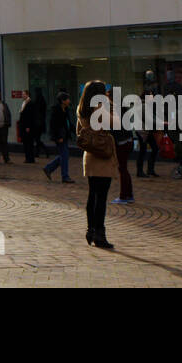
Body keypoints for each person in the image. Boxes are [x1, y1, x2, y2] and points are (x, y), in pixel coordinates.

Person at [76, 80, 117, 249]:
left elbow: (79, 131)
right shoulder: (100, 107)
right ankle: (100, 234)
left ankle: (90, 230)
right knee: (101, 197)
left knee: (92, 194)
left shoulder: (81, 108)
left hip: (90, 154)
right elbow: (114, 124)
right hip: (102, 154)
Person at [42, 91, 75, 183]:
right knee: (64, 155)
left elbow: (68, 123)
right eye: (67, 99)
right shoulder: (56, 110)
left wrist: (75, 131)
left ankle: (48, 168)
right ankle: (65, 176)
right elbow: (53, 125)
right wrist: (57, 137)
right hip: (60, 137)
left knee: (64, 155)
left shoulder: (66, 109)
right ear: (62, 100)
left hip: (65, 135)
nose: (69, 100)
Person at [135, 70, 160, 178]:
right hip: (142, 131)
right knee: (143, 150)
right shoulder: (144, 106)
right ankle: (140, 171)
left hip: (146, 130)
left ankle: (150, 169)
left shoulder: (147, 104)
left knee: (153, 148)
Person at [17, 94, 39, 164]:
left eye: (24, 94)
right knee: (26, 143)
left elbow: (29, 116)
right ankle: (28, 158)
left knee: (28, 143)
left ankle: (30, 158)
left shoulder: (29, 104)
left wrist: (28, 126)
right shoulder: (25, 103)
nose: (22, 96)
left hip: (27, 127)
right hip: (25, 126)